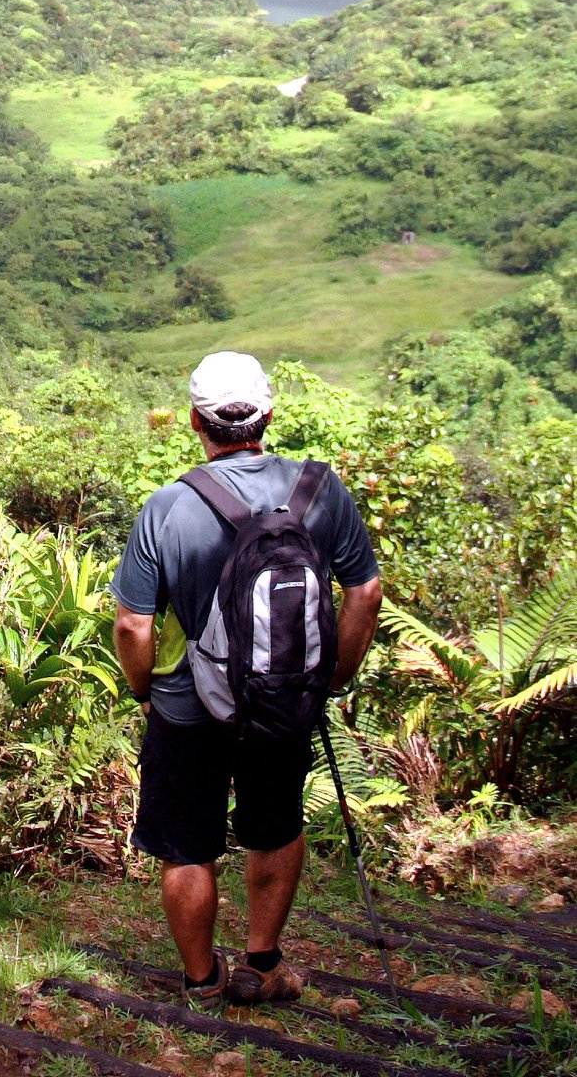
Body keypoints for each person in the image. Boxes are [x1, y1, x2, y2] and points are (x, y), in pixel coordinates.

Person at [111, 352, 381, 1009]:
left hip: (186, 706)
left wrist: (144, 689)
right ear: (269, 414)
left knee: (185, 843)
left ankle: (202, 981)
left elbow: (132, 627)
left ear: (196, 423)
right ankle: (261, 965)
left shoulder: (167, 507)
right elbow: (365, 594)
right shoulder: (320, 491)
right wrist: (329, 676)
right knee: (275, 824)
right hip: (285, 698)